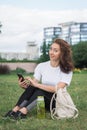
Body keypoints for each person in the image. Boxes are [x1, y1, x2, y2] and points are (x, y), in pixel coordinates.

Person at [4, 38, 74, 120]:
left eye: (55, 50)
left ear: (62, 53)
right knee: (34, 87)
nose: (51, 52)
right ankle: (15, 109)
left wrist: (37, 85)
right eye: (51, 49)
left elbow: (57, 89)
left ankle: (23, 111)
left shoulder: (67, 69)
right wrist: (24, 86)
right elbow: (34, 84)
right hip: (42, 101)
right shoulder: (42, 66)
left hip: (57, 102)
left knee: (40, 90)